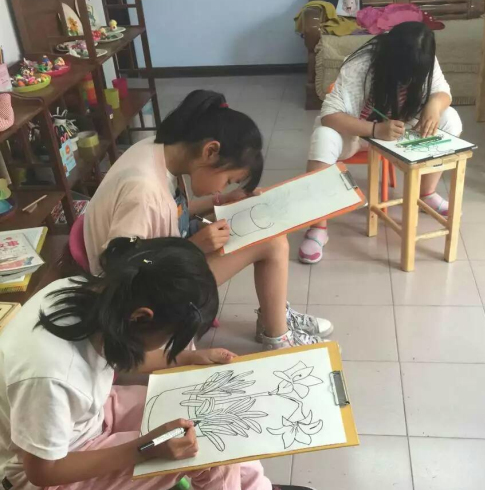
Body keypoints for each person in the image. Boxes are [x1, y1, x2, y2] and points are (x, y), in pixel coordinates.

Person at [0, 237, 322, 490]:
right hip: (46, 482)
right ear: (142, 317)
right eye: (171, 339)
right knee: (208, 451)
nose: (172, 346)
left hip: (84, 419)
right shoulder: (51, 374)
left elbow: (122, 352)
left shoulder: (89, 293)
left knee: (203, 405)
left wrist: (185, 360)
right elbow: (43, 471)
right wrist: (144, 450)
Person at [84, 90, 332, 349]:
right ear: (210, 151)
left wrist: (221, 202)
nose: (222, 187)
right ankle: (278, 335)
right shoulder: (144, 192)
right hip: (139, 294)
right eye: (228, 181)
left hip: (160, 260)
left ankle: (275, 318)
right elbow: (122, 267)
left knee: (269, 235)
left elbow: (170, 211)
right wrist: (194, 247)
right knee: (272, 242)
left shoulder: (158, 151)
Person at [299, 21, 462, 264]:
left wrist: (434, 105)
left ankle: (426, 193)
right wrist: (375, 129)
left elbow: (443, 91)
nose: (409, 81)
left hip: (401, 130)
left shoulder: (423, 56)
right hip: (359, 133)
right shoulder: (361, 64)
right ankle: (318, 227)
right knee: (323, 137)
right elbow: (330, 116)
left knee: (451, 119)